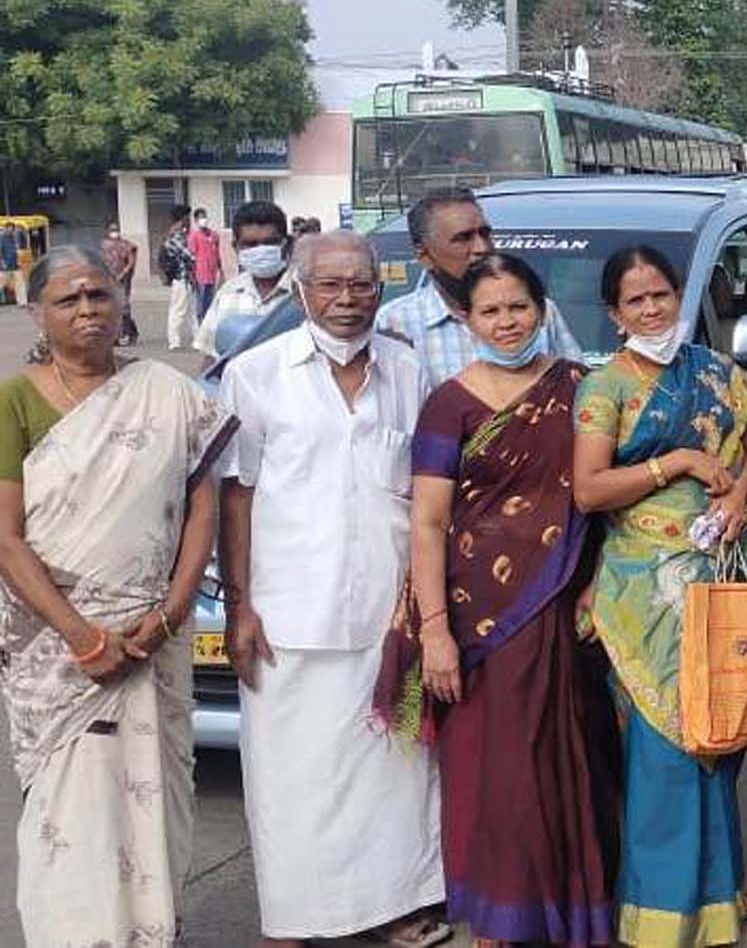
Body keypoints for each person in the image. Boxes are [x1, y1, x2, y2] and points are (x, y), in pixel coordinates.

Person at [373, 252, 618, 947]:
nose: (507, 322)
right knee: (498, 778)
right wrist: (436, 631)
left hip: (567, 605)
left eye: (519, 307)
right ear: (465, 318)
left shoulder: (581, 388)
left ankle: (575, 917)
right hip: (481, 619)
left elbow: (604, 500)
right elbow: (427, 521)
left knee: (573, 761)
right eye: (491, 311)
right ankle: (501, 923)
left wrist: (598, 586)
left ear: (541, 311)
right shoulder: (449, 403)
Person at [218, 231, 448, 948]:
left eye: (362, 286)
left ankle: (395, 907)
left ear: (382, 290)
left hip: (389, 609)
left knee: (395, 774)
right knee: (292, 778)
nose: (347, 300)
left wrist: (428, 610)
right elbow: (236, 496)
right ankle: (293, 919)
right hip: (290, 614)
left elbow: (427, 498)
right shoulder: (256, 374)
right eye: (331, 286)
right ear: (302, 291)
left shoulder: (408, 371)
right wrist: (239, 605)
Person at [0, 248, 233, 945]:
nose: (87, 312)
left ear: (122, 303)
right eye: (68, 301)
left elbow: (203, 511)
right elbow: (7, 539)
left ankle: (150, 931)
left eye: (99, 296)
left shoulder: (168, 392)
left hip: (153, 628)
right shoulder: (14, 401)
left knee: (155, 796)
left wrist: (169, 615)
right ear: (37, 313)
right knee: (70, 805)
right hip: (56, 642)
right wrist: (83, 637)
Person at [572, 244, 747, 946]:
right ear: (614, 313)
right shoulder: (605, 389)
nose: (653, 309)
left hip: (724, 573)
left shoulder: (717, 371)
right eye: (637, 301)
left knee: (721, 735)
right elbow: (589, 489)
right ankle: (659, 918)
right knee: (663, 749)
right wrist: (679, 461)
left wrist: (741, 494)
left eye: (661, 294)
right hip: (644, 594)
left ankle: (717, 903)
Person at [377, 187, 583, 382]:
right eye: (463, 238)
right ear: (424, 255)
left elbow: (579, 392)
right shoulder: (395, 322)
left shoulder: (541, 312)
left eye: (484, 234)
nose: (482, 248)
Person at [195, 200, 294, 360]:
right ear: (236, 247)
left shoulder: (306, 293)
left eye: (270, 242)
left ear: (287, 244)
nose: (261, 250)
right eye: (250, 244)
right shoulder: (228, 293)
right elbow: (211, 356)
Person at [160, 205, 198, 351]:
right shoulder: (175, 236)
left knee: (192, 312)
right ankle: (174, 341)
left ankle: (198, 339)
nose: (189, 220)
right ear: (182, 218)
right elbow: (189, 255)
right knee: (178, 311)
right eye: (187, 216)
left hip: (189, 279)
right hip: (181, 279)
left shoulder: (183, 234)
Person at [99, 223, 140, 345]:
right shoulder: (104, 245)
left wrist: (122, 274)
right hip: (109, 280)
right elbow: (102, 261)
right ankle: (115, 336)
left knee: (124, 308)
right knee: (111, 308)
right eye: (112, 230)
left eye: (116, 230)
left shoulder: (126, 245)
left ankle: (132, 332)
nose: (114, 233)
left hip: (122, 281)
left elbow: (130, 262)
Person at [190, 207, 222, 318]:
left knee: (211, 299)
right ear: (196, 221)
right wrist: (193, 275)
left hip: (212, 273)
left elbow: (217, 253)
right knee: (201, 301)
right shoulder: (194, 236)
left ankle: (209, 321)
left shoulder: (214, 235)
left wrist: (220, 269)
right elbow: (192, 256)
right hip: (200, 273)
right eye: (200, 218)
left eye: (204, 217)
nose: (203, 219)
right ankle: (200, 323)